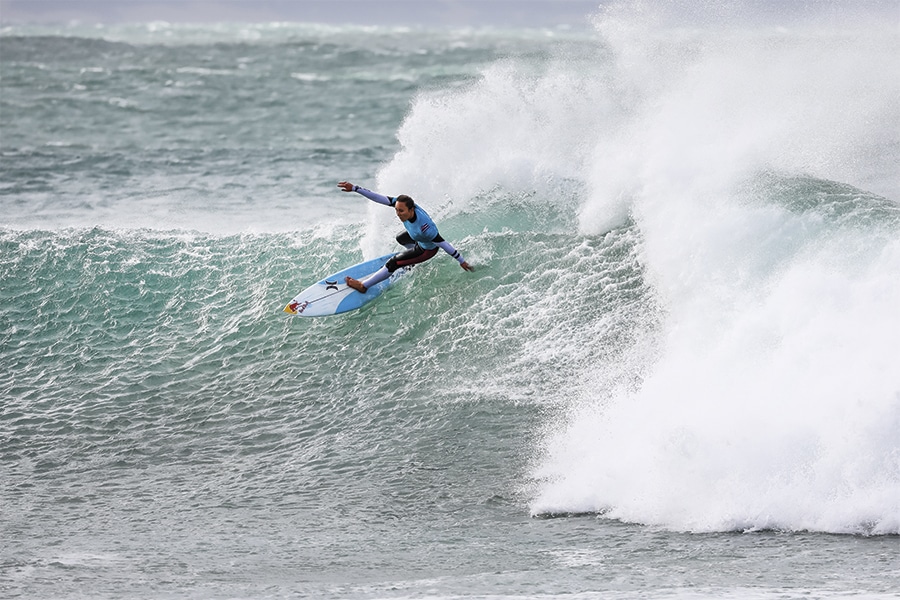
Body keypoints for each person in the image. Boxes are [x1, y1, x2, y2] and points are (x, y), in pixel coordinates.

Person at [337, 181, 473, 293]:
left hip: (426, 250)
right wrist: (355, 188)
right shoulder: (403, 204)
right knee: (400, 238)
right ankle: (411, 260)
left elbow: (443, 244)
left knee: (393, 263)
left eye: (401, 211)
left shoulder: (425, 228)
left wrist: (461, 261)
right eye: (396, 210)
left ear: (411, 210)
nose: (398, 213)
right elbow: (378, 198)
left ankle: (364, 286)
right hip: (417, 240)